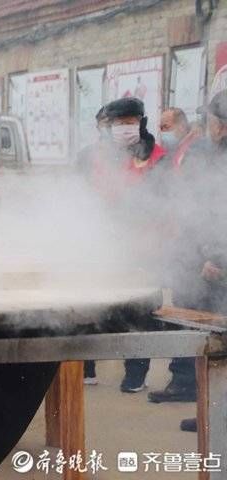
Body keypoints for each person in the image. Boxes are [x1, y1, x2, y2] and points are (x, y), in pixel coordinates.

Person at [152, 90, 227, 432]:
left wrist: (213, 256)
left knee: (218, 342)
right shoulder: (215, 155)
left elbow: (217, 213)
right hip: (213, 259)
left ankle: (216, 418)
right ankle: (211, 415)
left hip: (219, 265)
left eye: (211, 119)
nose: (208, 126)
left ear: (221, 126)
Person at [87, 97, 167, 394]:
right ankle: (86, 367)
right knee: (96, 306)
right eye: (119, 124)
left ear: (141, 122)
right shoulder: (99, 156)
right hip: (104, 245)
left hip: (144, 246)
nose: (125, 129)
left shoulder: (156, 156)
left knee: (139, 312)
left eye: (131, 122)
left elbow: (165, 200)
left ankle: (135, 374)